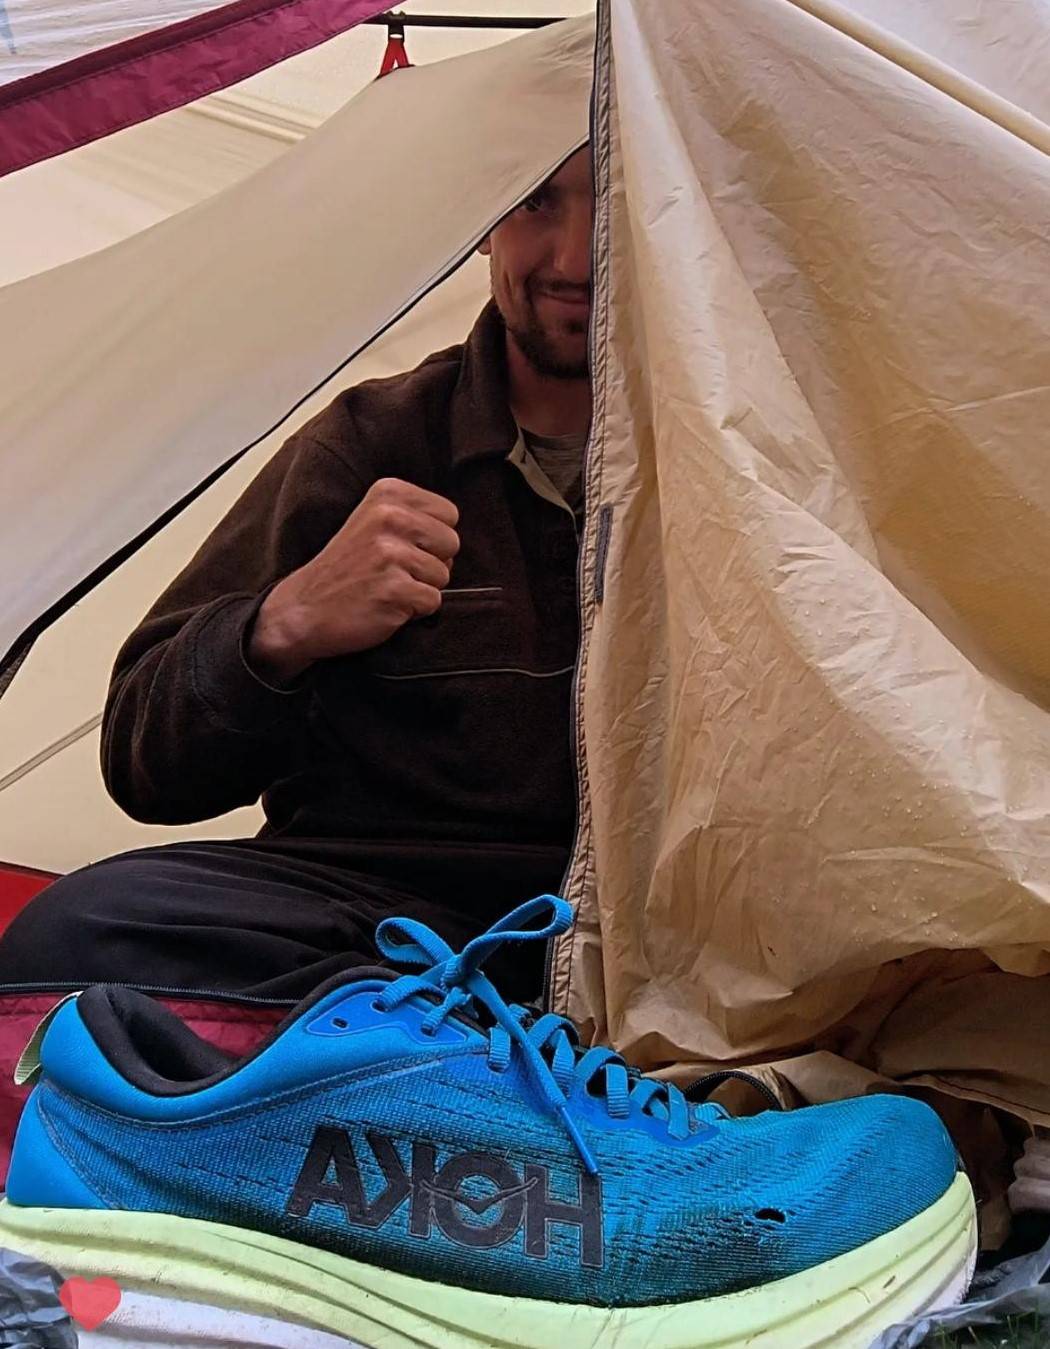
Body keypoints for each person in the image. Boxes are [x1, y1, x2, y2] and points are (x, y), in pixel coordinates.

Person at [0, 147, 595, 1005]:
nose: (573, 257)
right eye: (537, 199)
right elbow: (142, 761)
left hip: (645, 921)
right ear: (486, 217)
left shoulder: (740, 453)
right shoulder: (370, 441)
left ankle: (444, 1047)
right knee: (71, 931)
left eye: (610, 198)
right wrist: (283, 624)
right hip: (368, 915)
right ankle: (446, 1038)